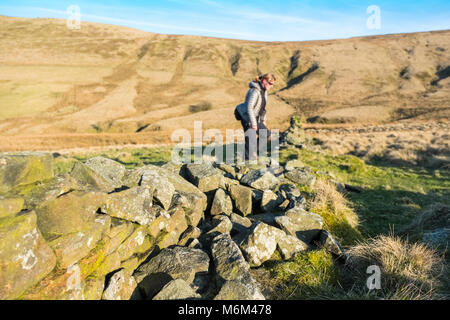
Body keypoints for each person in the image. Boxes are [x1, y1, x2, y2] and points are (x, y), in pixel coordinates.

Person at [235, 73, 276, 161]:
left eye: (273, 84)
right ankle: (245, 160)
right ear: (264, 81)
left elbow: (263, 108)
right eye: (270, 83)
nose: (271, 86)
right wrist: (254, 124)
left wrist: (263, 120)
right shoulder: (254, 91)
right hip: (246, 117)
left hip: (256, 117)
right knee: (250, 139)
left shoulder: (264, 92)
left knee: (265, 134)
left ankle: (251, 153)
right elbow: (249, 107)